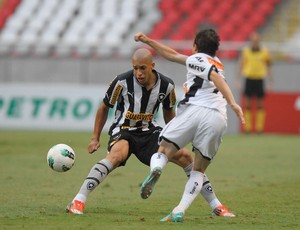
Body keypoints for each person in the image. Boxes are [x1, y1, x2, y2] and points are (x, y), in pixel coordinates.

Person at [66, 48, 236, 217]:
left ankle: (216, 206)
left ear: (152, 66)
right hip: (124, 130)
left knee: (185, 156)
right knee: (116, 155)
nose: (138, 73)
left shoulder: (166, 85)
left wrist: (178, 136)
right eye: (135, 68)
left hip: (149, 131)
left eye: (142, 68)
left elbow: (169, 111)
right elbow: (104, 108)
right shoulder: (121, 82)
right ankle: (78, 200)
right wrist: (95, 138)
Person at [135, 29, 245, 222]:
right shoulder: (218, 63)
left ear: (195, 46)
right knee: (198, 170)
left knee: (163, 150)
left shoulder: (197, 60)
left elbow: (172, 55)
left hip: (195, 111)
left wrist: (233, 102)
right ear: (216, 49)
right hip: (218, 118)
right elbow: (216, 75)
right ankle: (179, 210)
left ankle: (156, 168)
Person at [237, 32, 272, 134]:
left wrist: (270, 80)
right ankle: (247, 128)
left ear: (259, 41)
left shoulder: (264, 52)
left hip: (259, 79)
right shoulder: (246, 51)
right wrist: (238, 79)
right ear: (251, 41)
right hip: (249, 79)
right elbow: (241, 65)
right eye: (253, 40)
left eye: (256, 40)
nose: (255, 42)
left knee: (260, 105)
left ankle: (259, 128)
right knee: (247, 104)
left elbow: (268, 66)